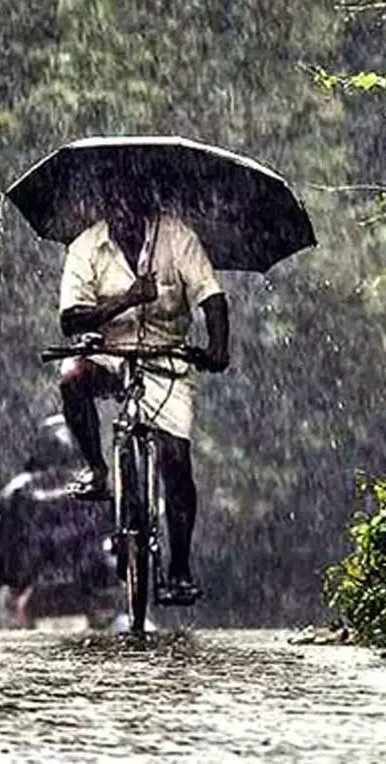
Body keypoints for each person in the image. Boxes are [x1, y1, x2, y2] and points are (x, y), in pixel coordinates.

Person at [57, 188, 229, 605]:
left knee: (175, 460)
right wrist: (127, 299)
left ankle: (179, 569)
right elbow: (70, 319)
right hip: (108, 352)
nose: (125, 213)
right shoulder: (86, 247)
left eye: (133, 206)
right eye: (116, 205)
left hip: (165, 357)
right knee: (71, 380)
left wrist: (217, 348)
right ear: (106, 208)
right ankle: (98, 470)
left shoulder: (178, 238)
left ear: (149, 206)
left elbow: (212, 298)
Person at [0, 415, 117, 628]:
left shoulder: (16, 490)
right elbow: (114, 534)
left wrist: (6, 578)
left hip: (33, 586)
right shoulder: (96, 486)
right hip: (86, 586)